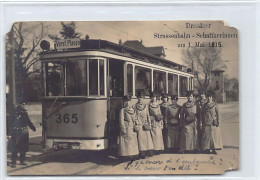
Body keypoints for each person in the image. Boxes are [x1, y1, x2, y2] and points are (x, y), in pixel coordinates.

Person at [9, 102, 36, 168]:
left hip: (24, 131)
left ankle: (22, 160)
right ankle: (13, 162)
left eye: (24, 104)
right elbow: (10, 123)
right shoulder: (14, 112)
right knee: (15, 147)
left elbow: (28, 121)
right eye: (23, 104)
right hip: (16, 132)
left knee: (23, 147)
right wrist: (9, 134)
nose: (24, 105)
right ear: (19, 104)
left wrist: (33, 128)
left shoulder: (24, 112)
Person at [118, 95, 139, 160]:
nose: (127, 102)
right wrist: (123, 129)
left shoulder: (133, 110)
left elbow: (135, 118)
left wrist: (137, 124)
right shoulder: (123, 110)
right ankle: (126, 156)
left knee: (132, 142)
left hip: (132, 128)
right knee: (126, 143)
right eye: (126, 101)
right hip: (126, 129)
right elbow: (121, 120)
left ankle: (133, 155)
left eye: (129, 101)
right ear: (124, 102)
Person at [134, 91, 154, 159]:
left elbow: (148, 115)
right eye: (139, 97)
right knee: (141, 140)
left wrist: (150, 124)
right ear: (137, 98)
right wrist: (136, 123)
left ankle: (148, 152)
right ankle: (142, 153)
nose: (140, 99)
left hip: (145, 125)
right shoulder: (134, 106)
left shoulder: (146, 106)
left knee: (148, 139)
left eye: (142, 98)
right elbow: (134, 116)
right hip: (139, 125)